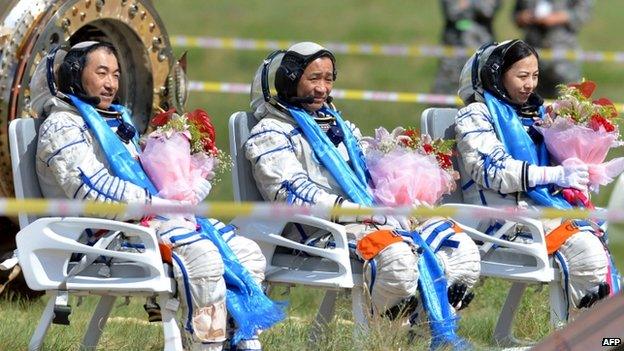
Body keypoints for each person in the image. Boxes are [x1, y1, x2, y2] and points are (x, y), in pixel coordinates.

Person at [33, 41, 275, 351]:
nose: (110, 84)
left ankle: (239, 337)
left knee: (245, 251)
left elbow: (146, 176)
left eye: (116, 74)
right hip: (96, 236)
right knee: (202, 254)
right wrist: (160, 201)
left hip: (140, 223)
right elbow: (93, 191)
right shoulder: (62, 126)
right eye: (101, 73)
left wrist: (189, 181)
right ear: (74, 74)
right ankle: (207, 343)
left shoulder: (116, 121)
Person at [244, 42, 481, 326]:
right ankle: (386, 334)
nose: (322, 88)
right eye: (313, 78)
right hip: (317, 230)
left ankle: (428, 329)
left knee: (460, 250)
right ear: (289, 80)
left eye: (328, 79)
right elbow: (292, 193)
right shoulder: (271, 132)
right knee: (397, 260)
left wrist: (405, 190)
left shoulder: (341, 127)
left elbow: (370, 177)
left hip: (365, 219)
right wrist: (361, 212)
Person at [455, 39, 612, 318]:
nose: (530, 85)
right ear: (496, 75)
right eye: (522, 76)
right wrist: (554, 173)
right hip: (501, 222)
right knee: (586, 251)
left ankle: (595, 334)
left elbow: (558, 164)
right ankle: (584, 336)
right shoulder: (475, 115)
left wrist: (579, 169)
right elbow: (492, 170)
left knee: (599, 242)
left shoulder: (537, 115)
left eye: (535, 76)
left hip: (541, 215)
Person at [514, 0, 594, 98]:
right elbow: (516, 14)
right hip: (533, 52)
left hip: (564, 56)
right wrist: (523, 17)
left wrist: (560, 17)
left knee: (567, 102)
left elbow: (584, 12)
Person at [432, 0, 502, 95]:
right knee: (447, 86)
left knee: (481, 84)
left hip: (482, 47)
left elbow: (487, 10)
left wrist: (467, 3)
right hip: (453, 45)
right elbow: (452, 11)